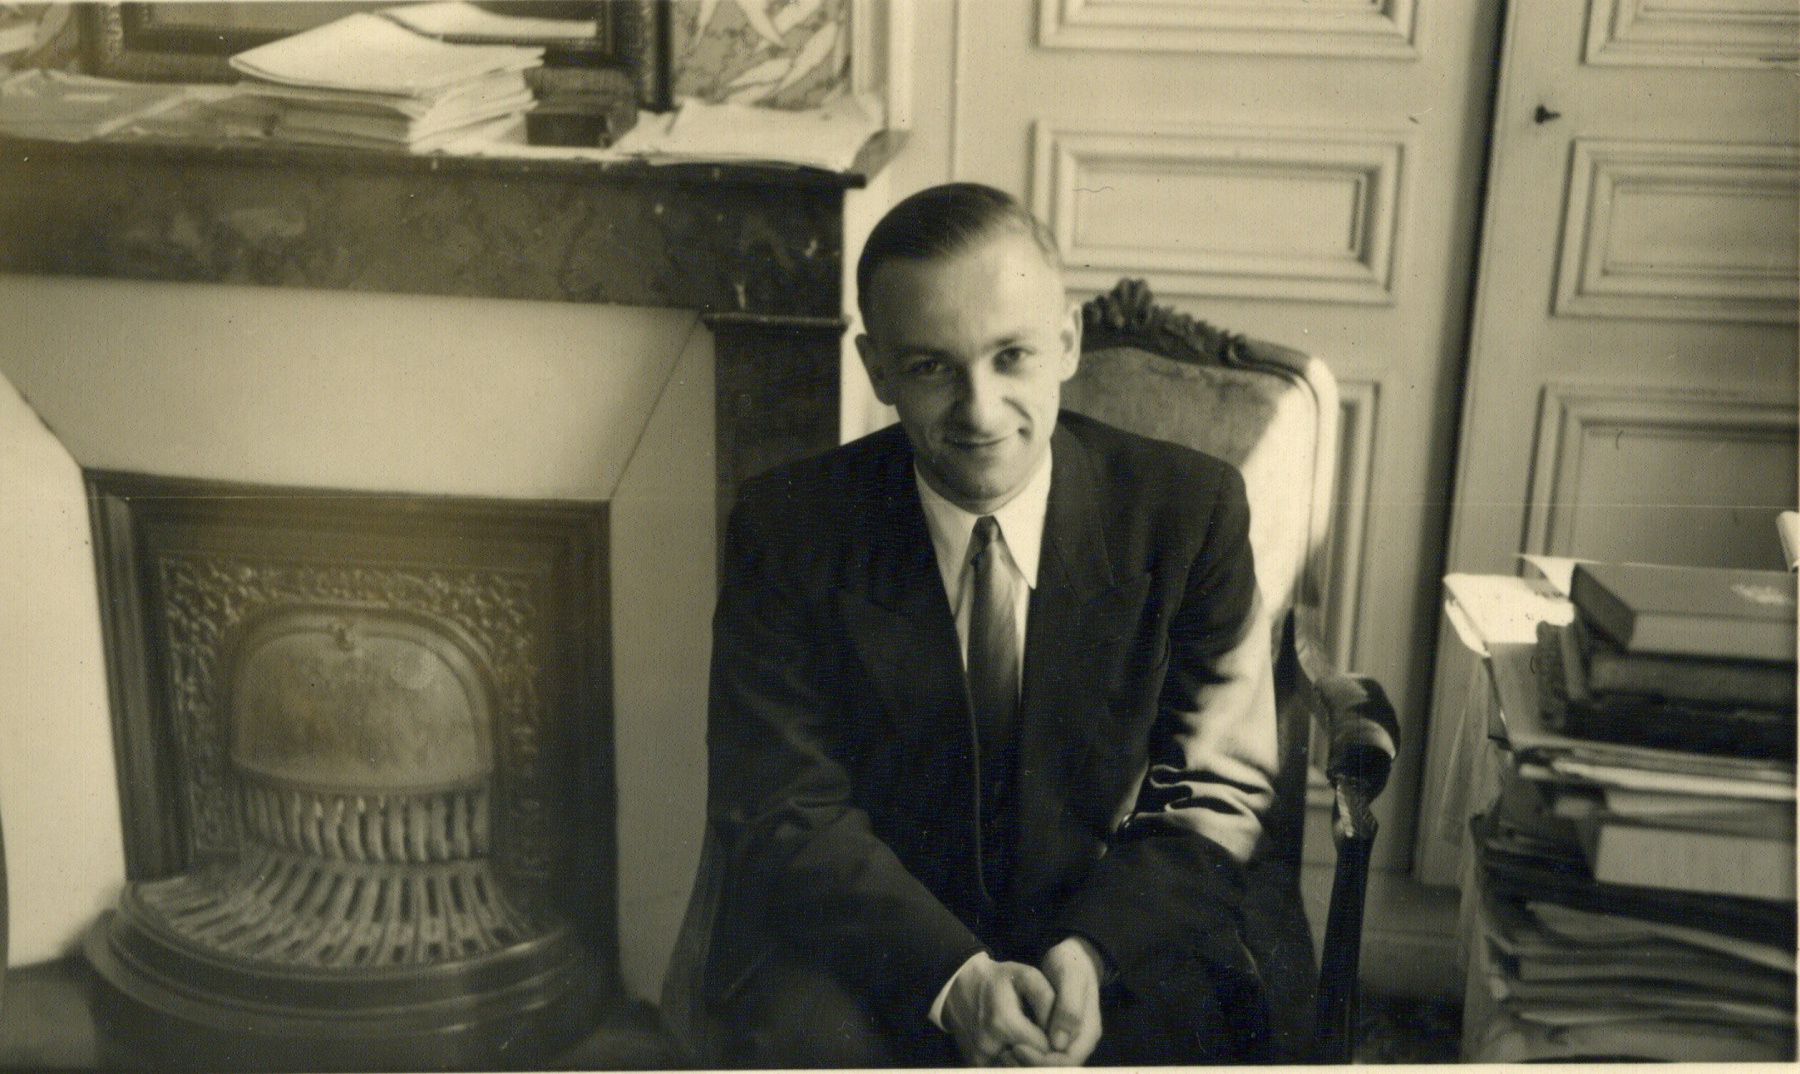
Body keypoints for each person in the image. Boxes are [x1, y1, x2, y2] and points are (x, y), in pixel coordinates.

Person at [697, 182, 1280, 1067]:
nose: (979, 410)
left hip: (1110, 928)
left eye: (1012, 356)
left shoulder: (1188, 511)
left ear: (1067, 342)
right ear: (877, 369)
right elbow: (783, 799)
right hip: (878, 941)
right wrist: (952, 976)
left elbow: (1213, 786)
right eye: (932, 367)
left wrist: (1092, 952)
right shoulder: (787, 528)